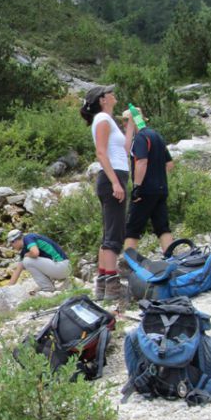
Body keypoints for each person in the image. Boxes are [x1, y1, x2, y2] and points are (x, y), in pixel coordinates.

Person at [80, 83, 129, 301]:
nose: (113, 94)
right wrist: (116, 182)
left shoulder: (108, 121)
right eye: (110, 93)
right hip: (112, 177)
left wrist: (132, 126)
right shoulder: (102, 120)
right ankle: (112, 287)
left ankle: (102, 285)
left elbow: (123, 150)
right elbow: (101, 153)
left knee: (110, 230)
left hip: (115, 175)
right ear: (103, 99)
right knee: (114, 233)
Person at [123, 112, 175, 254]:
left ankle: (129, 264)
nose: (124, 126)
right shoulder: (156, 136)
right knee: (163, 227)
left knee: (132, 229)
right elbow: (169, 164)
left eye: (125, 122)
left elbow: (141, 161)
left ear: (131, 122)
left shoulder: (140, 138)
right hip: (161, 189)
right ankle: (172, 259)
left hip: (144, 191)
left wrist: (137, 187)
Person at [6, 229, 71, 291]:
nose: (12, 247)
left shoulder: (28, 238)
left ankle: (47, 288)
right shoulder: (24, 251)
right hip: (59, 269)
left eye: (11, 244)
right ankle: (48, 288)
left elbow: (35, 253)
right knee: (26, 261)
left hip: (63, 266)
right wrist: (7, 288)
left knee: (27, 261)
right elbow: (18, 269)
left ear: (14, 241)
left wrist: (26, 255)